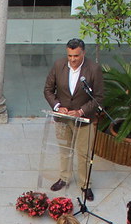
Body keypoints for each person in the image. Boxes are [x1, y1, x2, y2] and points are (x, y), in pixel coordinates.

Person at [43, 37, 104, 200]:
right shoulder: (58, 65)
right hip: (63, 119)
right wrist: (57, 106)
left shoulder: (94, 69)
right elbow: (48, 90)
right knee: (65, 150)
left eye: (76, 56)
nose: (73, 59)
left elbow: (98, 97)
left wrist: (81, 111)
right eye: (70, 56)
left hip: (83, 121)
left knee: (83, 154)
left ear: (83, 53)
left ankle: (85, 185)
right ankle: (64, 178)